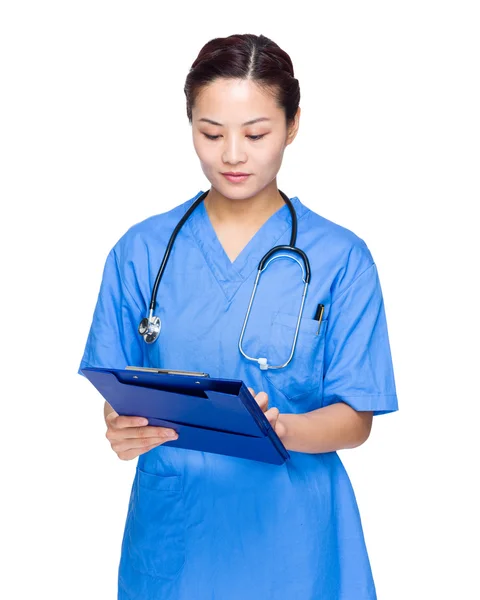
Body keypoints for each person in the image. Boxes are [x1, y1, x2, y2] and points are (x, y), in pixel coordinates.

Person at [78, 33, 398, 600]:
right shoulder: (141, 252)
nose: (231, 155)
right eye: (210, 133)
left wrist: (285, 429)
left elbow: (357, 417)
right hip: (176, 543)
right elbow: (120, 390)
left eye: (255, 134)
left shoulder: (341, 258)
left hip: (294, 543)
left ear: (292, 124)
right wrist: (122, 428)